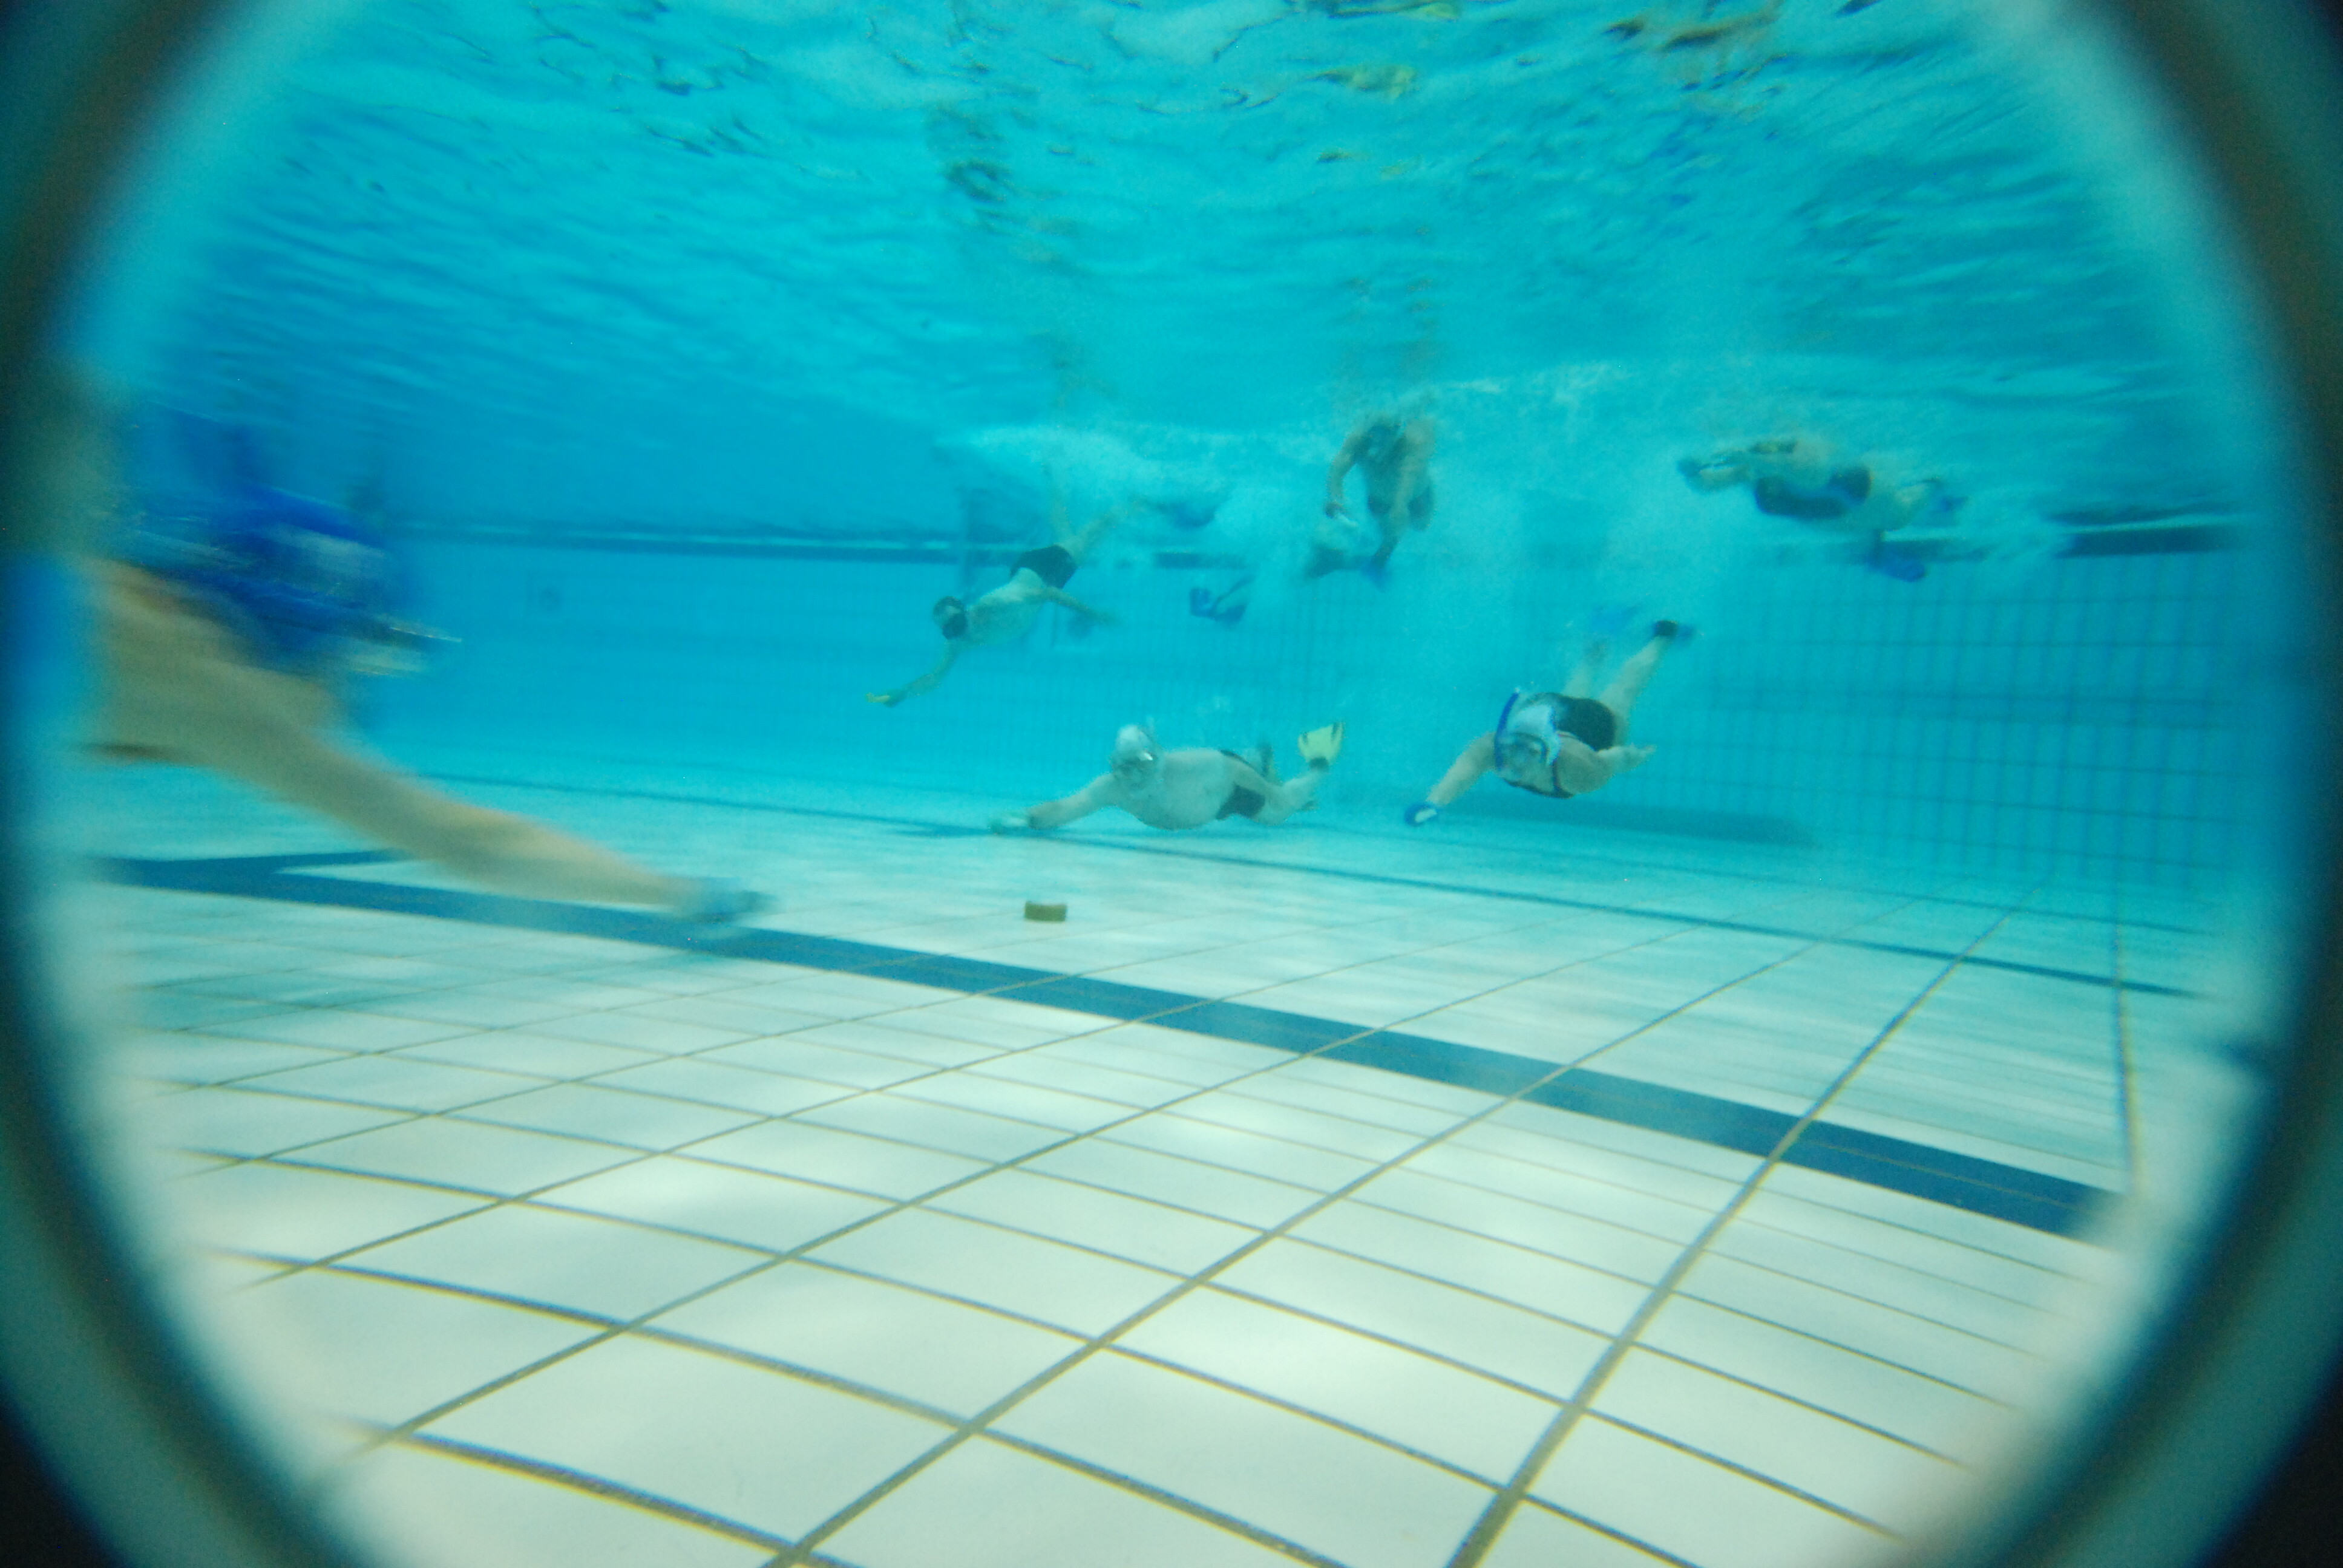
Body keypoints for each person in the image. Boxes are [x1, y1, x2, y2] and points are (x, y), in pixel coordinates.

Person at [33, 385, 764, 921]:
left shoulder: (105, 596)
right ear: (301, 640)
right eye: (346, 668)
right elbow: (473, 844)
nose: (339, 706)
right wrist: (679, 894)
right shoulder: (209, 694)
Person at [1404, 622, 1683, 825]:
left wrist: (1638, 756)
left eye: (1530, 752)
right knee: (1575, 690)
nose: (1517, 759)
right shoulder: (1493, 748)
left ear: (1550, 754)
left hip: (1596, 724)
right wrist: (1434, 803)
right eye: (1513, 747)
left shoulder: (1580, 769)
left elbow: (1614, 761)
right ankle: (1603, 633)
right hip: (1556, 711)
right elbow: (1462, 773)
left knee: (1625, 688)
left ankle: (1664, 635)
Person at [868, 489, 1124, 707]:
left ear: (967, 612)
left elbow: (1049, 593)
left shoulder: (995, 604)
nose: (958, 633)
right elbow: (935, 678)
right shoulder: (958, 643)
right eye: (950, 631)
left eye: (958, 624)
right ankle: (1056, 479)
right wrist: (902, 694)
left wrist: (1094, 614)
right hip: (1027, 577)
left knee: (1087, 540)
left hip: (1041, 569)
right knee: (1069, 537)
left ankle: (1129, 506)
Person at [1676, 437, 1953, 581]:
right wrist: (1691, 472)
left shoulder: (1801, 463)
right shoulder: (1747, 471)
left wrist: (1753, 458)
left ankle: (1932, 486)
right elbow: (1708, 487)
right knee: (1859, 539)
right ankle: (1877, 553)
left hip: (1861, 497)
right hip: (1827, 515)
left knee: (1900, 517)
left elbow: (1805, 472)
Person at [992, 722, 1345, 833]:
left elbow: (1231, 768)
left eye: (1143, 763)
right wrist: (1026, 818)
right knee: (1275, 800)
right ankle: (1263, 761)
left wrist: (1272, 792)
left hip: (1228, 790)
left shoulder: (1183, 765)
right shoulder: (1115, 788)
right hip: (1210, 799)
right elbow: (1067, 807)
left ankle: (1317, 764)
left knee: (1278, 812)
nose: (1133, 775)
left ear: (1157, 758)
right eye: (1124, 766)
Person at [1314, 408, 1436, 583]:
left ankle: (1376, 559)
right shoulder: (1358, 440)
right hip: (1379, 500)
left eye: (1385, 434)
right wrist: (1336, 500)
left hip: (1417, 498)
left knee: (1420, 527)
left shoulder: (1413, 445)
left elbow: (1404, 493)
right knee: (1385, 536)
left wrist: (1399, 511)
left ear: (1397, 431)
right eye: (1375, 433)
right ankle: (1371, 562)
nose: (1379, 439)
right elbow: (1336, 473)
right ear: (1368, 430)